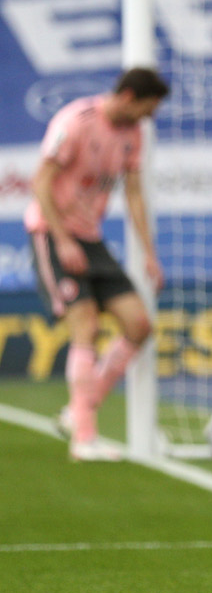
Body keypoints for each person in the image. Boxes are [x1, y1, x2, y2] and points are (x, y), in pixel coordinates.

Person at [27, 67, 168, 461]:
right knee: (85, 325)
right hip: (51, 233)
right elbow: (40, 182)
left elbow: (135, 195)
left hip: (90, 239)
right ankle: (84, 438)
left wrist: (150, 253)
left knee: (139, 325)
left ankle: (78, 411)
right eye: (146, 109)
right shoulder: (74, 122)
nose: (148, 118)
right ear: (127, 98)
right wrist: (61, 238)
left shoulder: (132, 135)